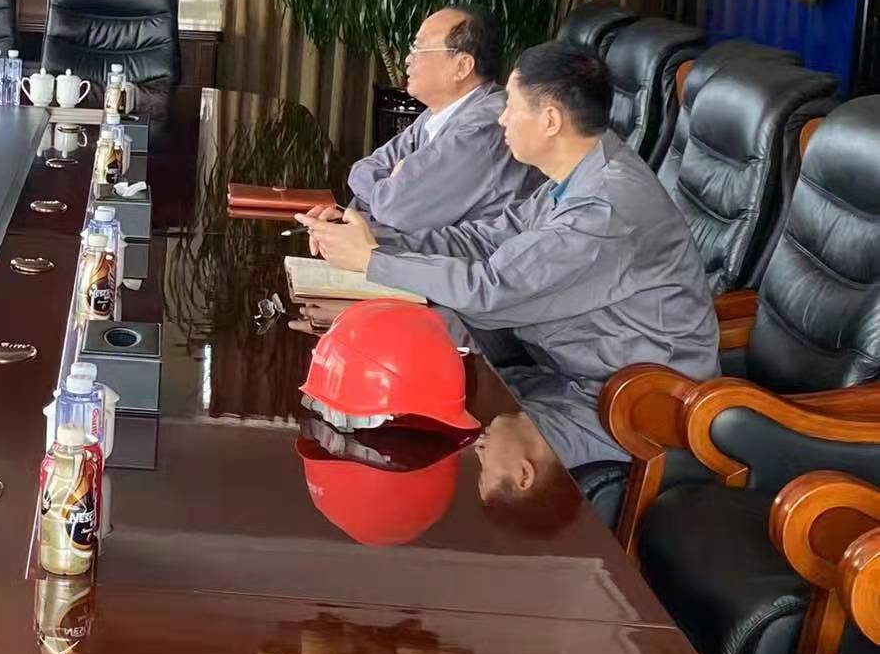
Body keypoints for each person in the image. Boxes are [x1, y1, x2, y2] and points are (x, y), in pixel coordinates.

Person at [307, 41, 718, 469]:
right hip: (571, 371)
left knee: (439, 427)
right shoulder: (582, 169)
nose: (501, 118)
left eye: (512, 107)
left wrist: (372, 261)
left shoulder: (604, 208)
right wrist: (376, 238)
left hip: (635, 406)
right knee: (425, 387)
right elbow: (487, 239)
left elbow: (491, 289)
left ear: (550, 120)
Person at [302, 6, 540, 232]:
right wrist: (386, 190)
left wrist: (391, 189)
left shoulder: (485, 127)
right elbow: (361, 171)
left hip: (460, 258)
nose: (407, 59)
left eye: (418, 48)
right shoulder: (438, 113)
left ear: (462, 66)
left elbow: (396, 208)